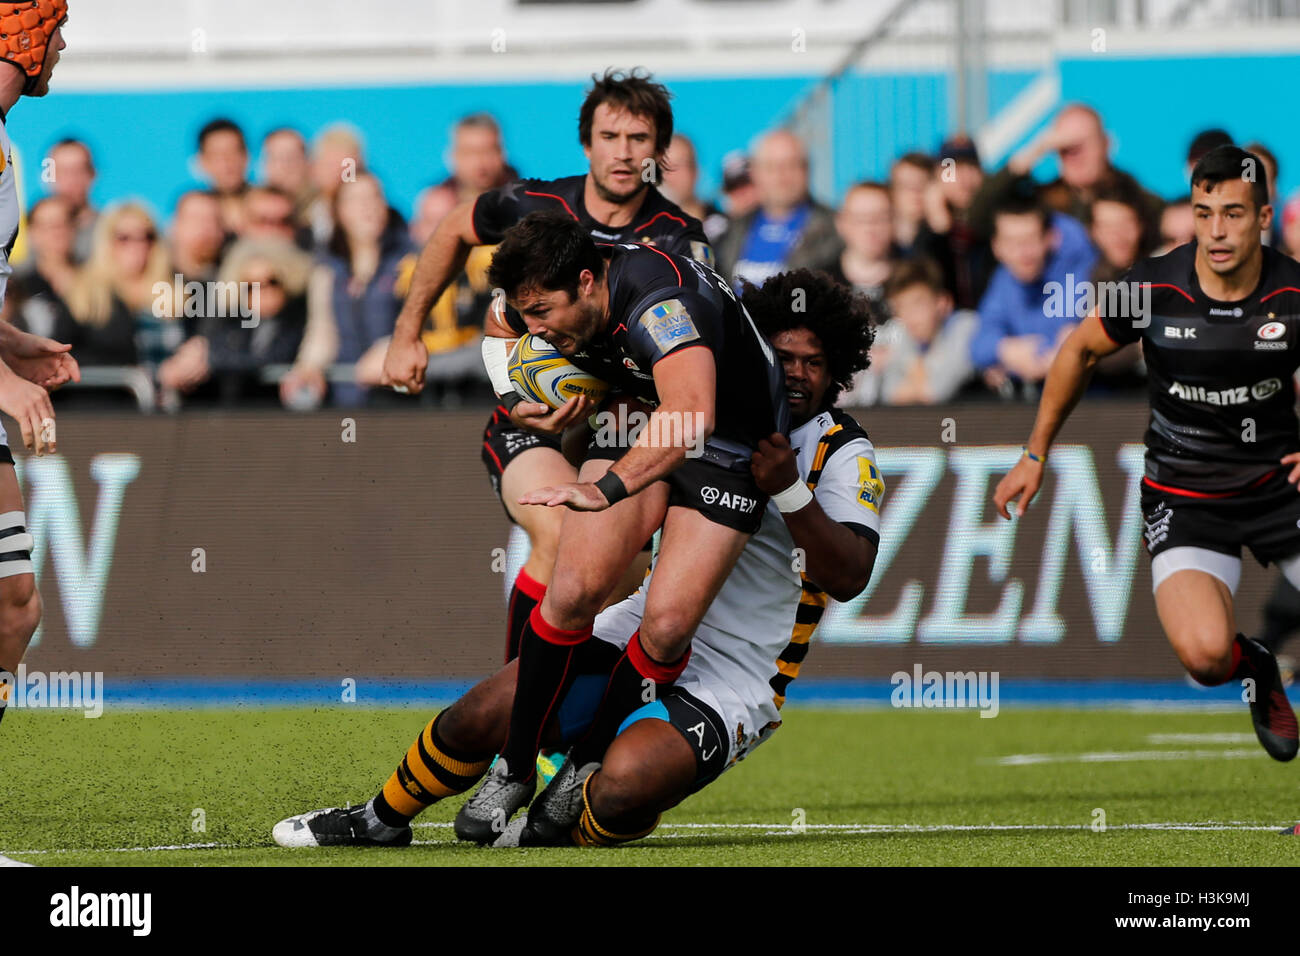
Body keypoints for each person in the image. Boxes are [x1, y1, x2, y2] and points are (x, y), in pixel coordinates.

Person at [270, 268, 879, 850]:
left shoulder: (841, 448)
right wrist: (580, 420)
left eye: (814, 363)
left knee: (624, 787)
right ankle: (377, 819)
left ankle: (552, 828)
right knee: (478, 714)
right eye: (784, 357)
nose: (795, 374)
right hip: (641, 627)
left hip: (738, 675)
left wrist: (789, 490)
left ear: (838, 372)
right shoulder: (694, 404)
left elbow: (848, 576)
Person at [451, 211, 787, 842]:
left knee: (664, 625)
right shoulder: (551, 279)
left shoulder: (659, 303)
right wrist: (515, 398)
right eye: (529, 316)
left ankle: (584, 763)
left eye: (544, 313)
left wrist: (602, 488)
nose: (536, 330)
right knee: (574, 589)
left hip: (732, 442)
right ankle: (515, 764)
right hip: (639, 414)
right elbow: (502, 319)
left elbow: (691, 413)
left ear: (587, 282)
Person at [380, 68, 713, 673]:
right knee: (560, 534)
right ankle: (510, 707)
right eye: (610, 136)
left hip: (615, 432)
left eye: (639, 139)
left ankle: (556, 719)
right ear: (587, 143)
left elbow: (685, 367)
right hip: (526, 422)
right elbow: (457, 227)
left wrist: (619, 406)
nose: (623, 152)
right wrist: (411, 335)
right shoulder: (537, 206)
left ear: (658, 153)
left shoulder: (678, 243)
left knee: (609, 580)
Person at [993, 145, 1300, 764]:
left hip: (1281, 487)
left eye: (1234, 214)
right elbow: (1077, 351)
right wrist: (1034, 453)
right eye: (1204, 212)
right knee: (1207, 658)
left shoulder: (1292, 294)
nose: (1216, 230)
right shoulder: (1152, 288)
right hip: (1185, 494)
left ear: (1264, 218)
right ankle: (1257, 665)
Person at [0, 0, 81, 869]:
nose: (64, 44)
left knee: (12, 610)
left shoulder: (9, 151)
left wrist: (16, 346)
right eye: (55, 26)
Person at [280, 172, 410, 408]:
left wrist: (395, 347)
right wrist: (308, 367)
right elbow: (322, 331)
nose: (367, 207)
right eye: (356, 200)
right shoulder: (327, 269)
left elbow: (431, 325)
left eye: (374, 198)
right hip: (345, 400)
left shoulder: (411, 260)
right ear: (338, 212)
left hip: (402, 400)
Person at [969, 103, 1162, 250]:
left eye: (1080, 146)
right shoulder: (1046, 201)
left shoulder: (1135, 199)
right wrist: (1032, 154)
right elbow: (976, 219)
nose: (1072, 157)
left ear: (1106, 144)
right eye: (1064, 148)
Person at [970, 192, 1096, 396]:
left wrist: (1010, 364)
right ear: (997, 247)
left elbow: (1065, 341)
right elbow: (978, 344)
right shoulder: (1003, 280)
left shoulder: (1079, 273)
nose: (1022, 253)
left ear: (1051, 238)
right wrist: (1006, 349)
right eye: (1011, 242)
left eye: (1030, 240)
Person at [714, 129, 840, 290]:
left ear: (806, 169)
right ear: (755, 173)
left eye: (791, 165)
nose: (781, 177)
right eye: (771, 167)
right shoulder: (732, 230)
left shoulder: (837, 229)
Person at [844, 257, 976, 406]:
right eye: (901, 307)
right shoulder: (906, 334)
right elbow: (890, 395)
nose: (909, 316)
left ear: (943, 303)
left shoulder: (966, 326)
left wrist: (916, 376)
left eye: (917, 303)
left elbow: (937, 392)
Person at [825, 181, 895, 304]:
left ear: (894, 221)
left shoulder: (914, 280)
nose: (870, 228)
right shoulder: (819, 284)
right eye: (861, 219)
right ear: (841, 223)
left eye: (881, 218)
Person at [660, 133, 728, 244]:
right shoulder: (642, 232)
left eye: (677, 166)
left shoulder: (726, 230)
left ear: (696, 171)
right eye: (662, 167)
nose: (668, 176)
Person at [196, 118, 251, 235]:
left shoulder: (272, 210)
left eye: (233, 152)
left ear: (246, 156)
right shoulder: (194, 212)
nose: (227, 163)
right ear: (202, 161)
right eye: (217, 155)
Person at [44, 137, 95, 261]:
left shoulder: (112, 234)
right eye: (62, 172)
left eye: (78, 171)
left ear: (92, 174)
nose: (71, 180)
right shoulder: (22, 236)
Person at [888, 152, 934, 255]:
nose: (915, 193)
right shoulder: (881, 242)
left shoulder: (946, 240)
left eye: (921, 185)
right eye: (907, 185)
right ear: (893, 191)